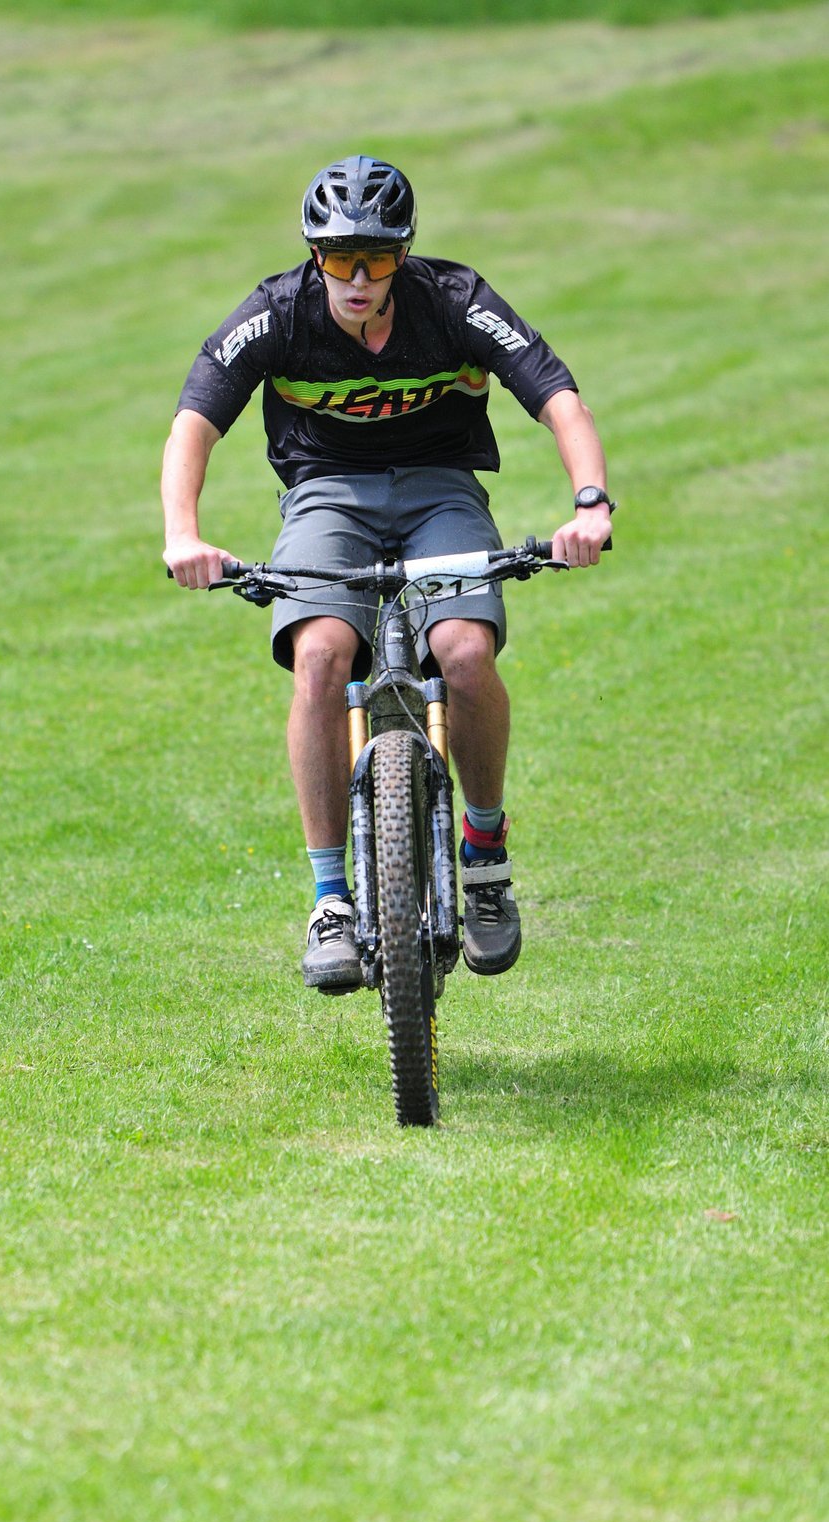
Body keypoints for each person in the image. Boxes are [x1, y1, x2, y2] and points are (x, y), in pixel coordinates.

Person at [162, 155, 612, 993]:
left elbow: (559, 399)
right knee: (320, 657)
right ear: (315, 255)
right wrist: (182, 535)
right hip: (325, 495)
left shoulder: (455, 302)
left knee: (465, 652)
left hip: (442, 490)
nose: (358, 279)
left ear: (402, 254)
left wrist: (589, 504)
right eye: (339, 259)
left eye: (375, 258)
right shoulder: (275, 314)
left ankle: (484, 857)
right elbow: (194, 422)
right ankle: (330, 900)